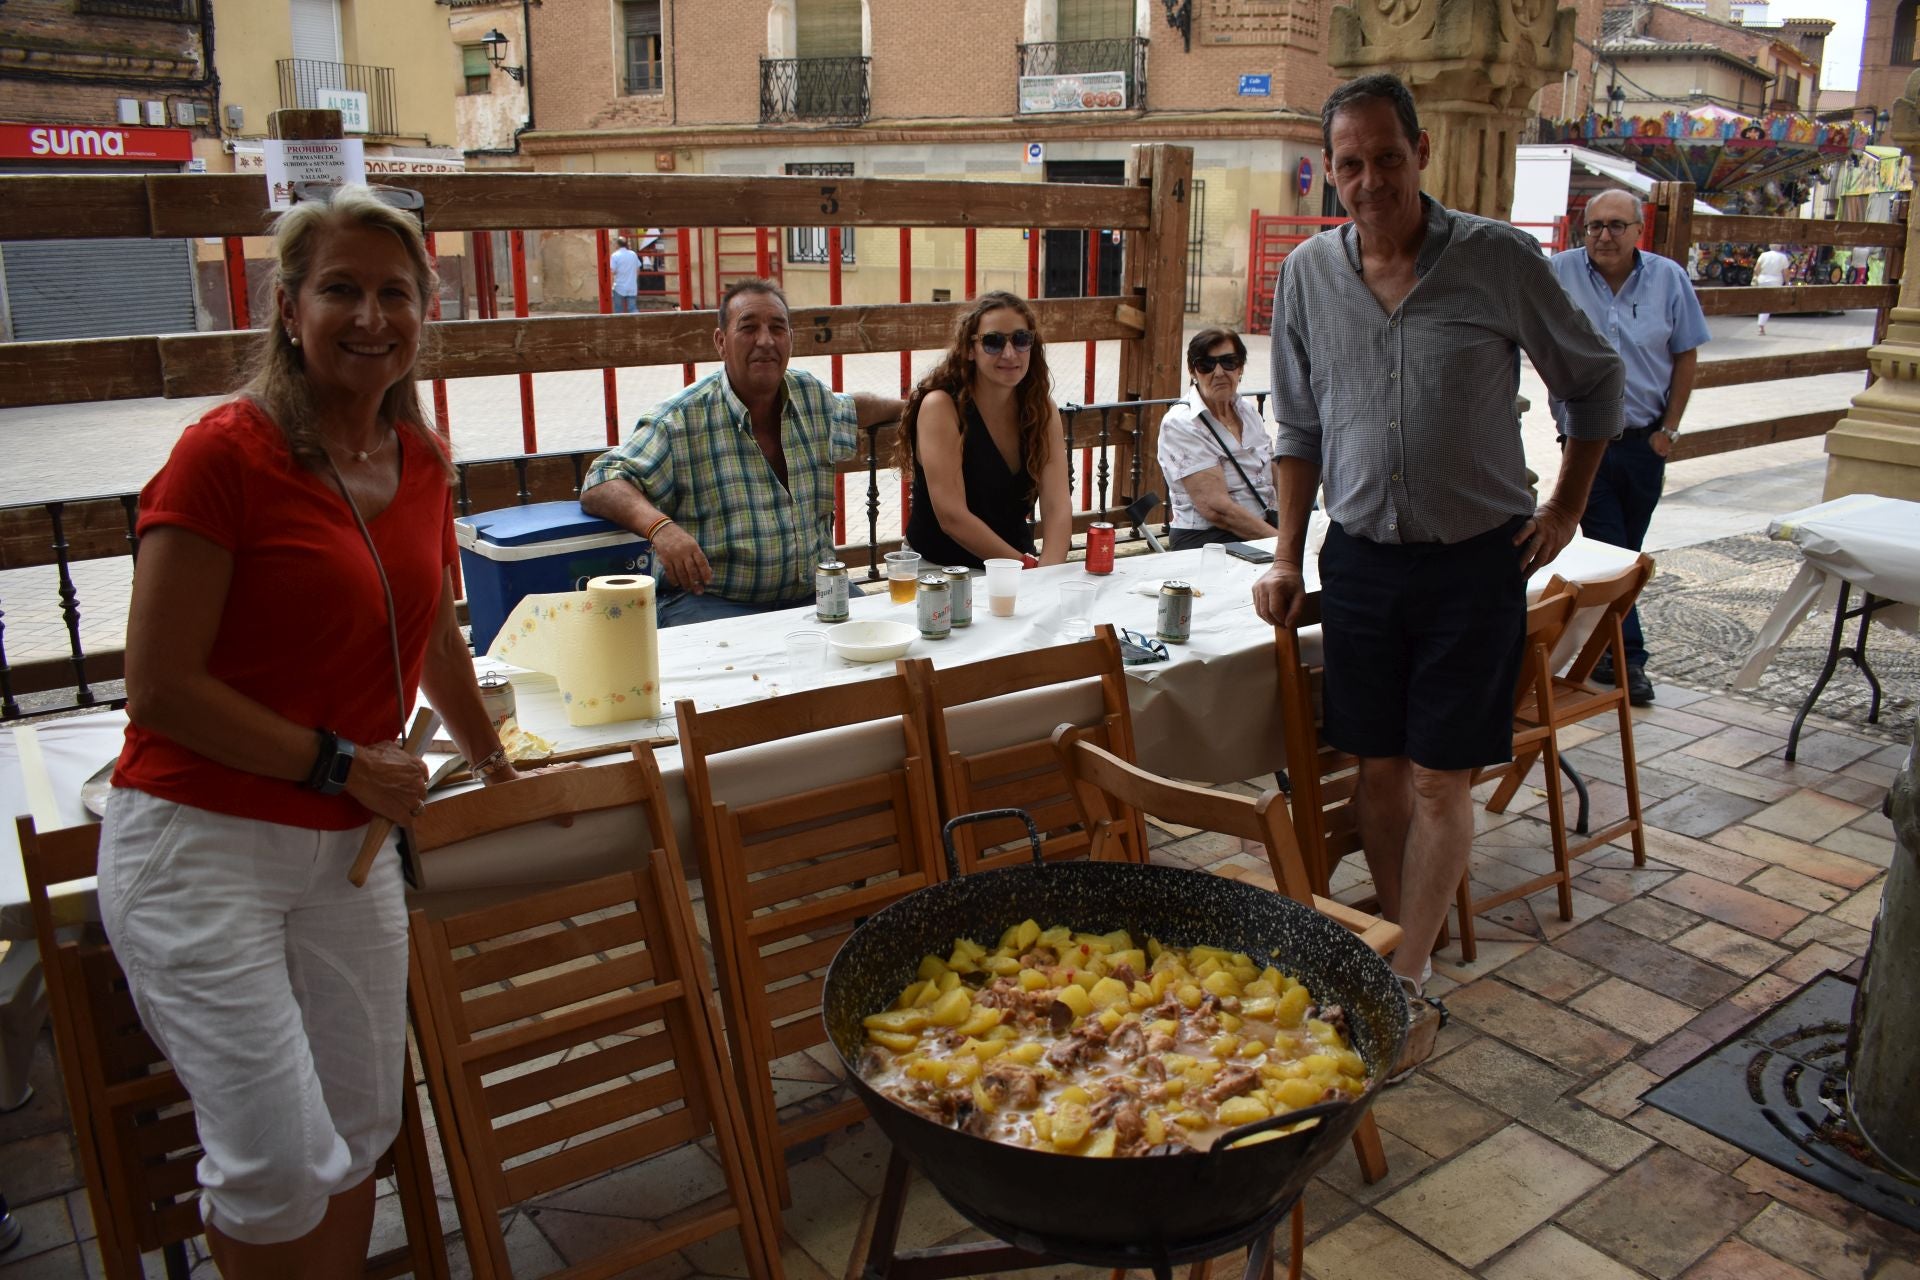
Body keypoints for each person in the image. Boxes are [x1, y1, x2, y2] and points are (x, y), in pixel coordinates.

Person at [99, 185, 532, 1271]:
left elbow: (434, 637)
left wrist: (496, 766)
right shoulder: (223, 455)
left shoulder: (420, 459)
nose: (371, 316)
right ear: (288, 309)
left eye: (396, 292)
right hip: (202, 843)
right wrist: (340, 763)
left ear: (426, 312)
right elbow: (158, 688)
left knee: (359, 1131)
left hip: (348, 851)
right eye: (342, 289)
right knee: (276, 1161)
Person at [1252, 74, 1623, 1079]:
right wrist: (1286, 552)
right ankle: (1400, 934)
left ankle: (1407, 978)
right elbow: (1298, 430)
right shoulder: (1308, 277)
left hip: (1473, 561)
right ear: (1330, 171)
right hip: (1362, 561)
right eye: (1351, 163)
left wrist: (1566, 508)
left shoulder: (1496, 259)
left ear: (1421, 151)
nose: (1370, 179)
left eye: (1387, 156)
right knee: (1375, 768)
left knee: (1439, 774)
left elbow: (1594, 383)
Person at [581, 278, 904, 625]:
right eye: (748, 328)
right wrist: (660, 528)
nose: (765, 340)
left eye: (777, 328)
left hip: (815, 592)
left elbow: (858, 408)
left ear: (790, 339)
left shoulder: (809, 395)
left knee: (885, 641)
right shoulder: (681, 419)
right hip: (713, 601)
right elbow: (601, 480)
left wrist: (918, 405)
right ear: (721, 342)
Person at [1549, 189, 1710, 706]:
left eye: (1616, 225)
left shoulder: (1668, 278)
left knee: (1626, 551)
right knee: (1614, 551)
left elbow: (1685, 355)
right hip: (1585, 444)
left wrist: (1670, 431)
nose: (1604, 236)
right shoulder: (1559, 273)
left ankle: (1603, 651)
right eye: (1594, 226)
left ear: (1639, 230)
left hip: (1645, 443)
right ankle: (1629, 660)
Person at [899, 291, 1071, 569]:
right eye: (993, 342)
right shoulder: (941, 407)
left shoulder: (1041, 410)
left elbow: (1057, 506)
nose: (1009, 353)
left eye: (1021, 339)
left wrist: (1048, 572)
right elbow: (952, 518)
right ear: (969, 349)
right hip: (940, 569)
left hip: (1016, 564)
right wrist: (1025, 567)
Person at [1157, 327, 1278, 547]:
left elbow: (1275, 470)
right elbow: (1217, 509)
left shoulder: (1246, 410)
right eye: (1206, 365)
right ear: (1193, 372)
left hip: (1264, 525)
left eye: (1229, 362)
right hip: (1210, 538)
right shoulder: (1181, 423)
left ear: (1240, 368)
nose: (1219, 372)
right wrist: (1281, 543)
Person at [1753, 242, 1791, 334]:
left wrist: (1755, 278)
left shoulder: (1763, 255)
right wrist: (1787, 283)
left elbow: (1756, 269)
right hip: (1775, 281)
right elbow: (1786, 272)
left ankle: (1761, 324)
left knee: (1764, 301)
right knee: (1768, 303)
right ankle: (1761, 326)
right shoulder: (1783, 257)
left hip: (1762, 279)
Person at [609, 235, 641, 314]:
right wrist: (633, 279)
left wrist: (610, 286)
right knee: (633, 309)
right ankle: (638, 321)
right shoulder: (633, 254)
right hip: (632, 286)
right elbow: (638, 269)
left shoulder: (615, 256)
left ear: (617, 244)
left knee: (618, 310)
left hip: (619, 287)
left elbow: (612, 272)